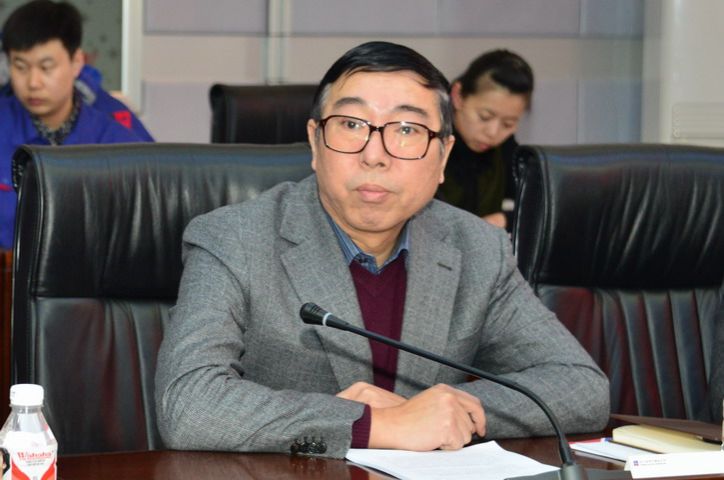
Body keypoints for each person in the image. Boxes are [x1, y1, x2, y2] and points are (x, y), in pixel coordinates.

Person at [155, 41, 609, 458]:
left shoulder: (477, 249)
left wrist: (448, 410)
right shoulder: (233, 238)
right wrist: (374, 424)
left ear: (443, 155)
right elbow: (187, 403)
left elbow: (580, 386)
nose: (375, 154)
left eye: (407, 129)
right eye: (352, 125)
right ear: (315, 141)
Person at [0, 0, 151, 249]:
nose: (33, 82)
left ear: (76, 62)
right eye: (21, 67)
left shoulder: (117, 139)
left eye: (46, 67)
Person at [436, 49, 534, 230]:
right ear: (458, 96)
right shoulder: (428, 141)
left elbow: (539, 205)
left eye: (508, 123)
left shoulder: (506, 150)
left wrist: (506, 219)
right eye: (485, 117)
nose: (493, 133)